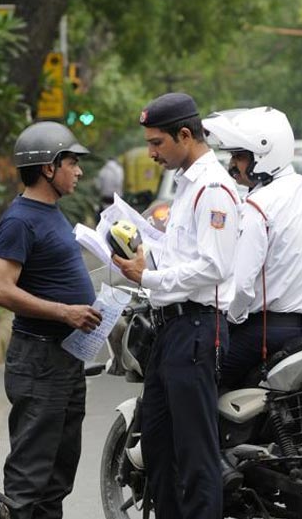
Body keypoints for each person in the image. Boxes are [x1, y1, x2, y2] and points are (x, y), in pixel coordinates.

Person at [112, 92, 239, 519]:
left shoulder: (214, 188)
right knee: (160, 449)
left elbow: (214, 266)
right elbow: (184, 255)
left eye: (157, 143)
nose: (151, 153)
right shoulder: (187, 187)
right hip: (169, 330)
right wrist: (147, 253)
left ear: (185, 135)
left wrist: (147, 276)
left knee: (195, 454)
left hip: (197, 329)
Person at [0, 121, 101, 519]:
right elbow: (1, 289)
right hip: (38, 361)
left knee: (58, 475)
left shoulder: (52, 214)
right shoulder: (20, 219)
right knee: (29, 480)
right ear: (48, 168)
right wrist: (64, 312)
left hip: (65, 359)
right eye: (72, 162)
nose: (79, 171)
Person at [203, 106, 302, 391]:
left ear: (264, 156)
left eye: (239, 156)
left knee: (200, 380)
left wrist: (231, 318)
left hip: (269, 332)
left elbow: (242, 286)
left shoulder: (259, 204)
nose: (233, 165)